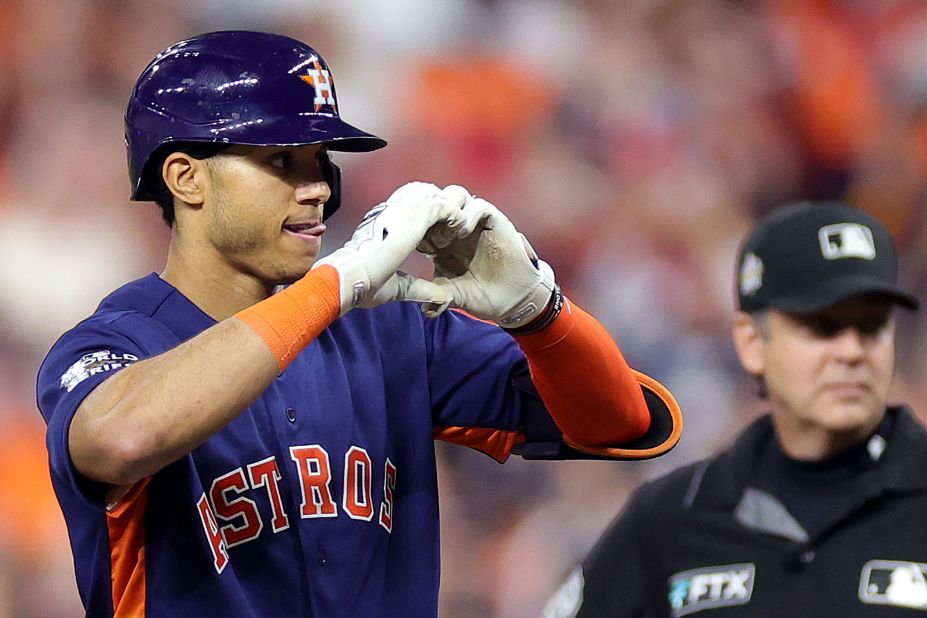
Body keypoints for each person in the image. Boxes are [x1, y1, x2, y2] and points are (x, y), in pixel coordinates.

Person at [35, 30, 683, 617]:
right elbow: (121, 438)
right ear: (185, 178)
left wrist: (541, 314)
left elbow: (620, 421)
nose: (316, 185)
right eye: (280, 160)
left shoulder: (391, 330)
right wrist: (335, 284)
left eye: (321, 160)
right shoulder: (114, 343)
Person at [544, 201, 926, 617]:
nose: (852, 351)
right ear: (750, 342)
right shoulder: (672, 518)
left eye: (872, 326)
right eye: (822, 327)